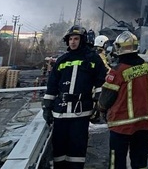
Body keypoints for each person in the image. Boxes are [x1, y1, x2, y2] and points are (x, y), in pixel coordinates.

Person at [42, 25, 108, 169]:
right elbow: (52, 85)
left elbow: (100, 84)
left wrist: (98, 105)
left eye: (76, 39)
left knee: (77, 149)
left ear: (82, 40)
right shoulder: (62, 60)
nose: (73, 42)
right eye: (70, 39)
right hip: (60, 112)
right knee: (59, 149)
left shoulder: (93, 59)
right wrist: (47, 107)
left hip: (81, 111)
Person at [96, 31, 148, 169]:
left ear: (119, 48)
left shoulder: (117, 71)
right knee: (140, 161)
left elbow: (106, 99)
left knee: (117, 162)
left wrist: (100, 108)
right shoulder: (145, 67)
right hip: (143, 122)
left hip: (121, 124)